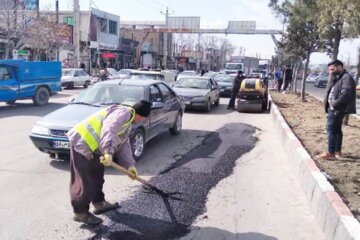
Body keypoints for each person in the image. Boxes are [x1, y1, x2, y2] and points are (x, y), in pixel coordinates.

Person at [67, 100, 152, 225]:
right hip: (82, 142)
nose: (141, 121)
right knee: (84, 180)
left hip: (96, 148)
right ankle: (80, 213)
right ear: (139, 114)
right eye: (143, 118)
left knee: (97, 177)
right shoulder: (123, 113)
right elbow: (109, 129)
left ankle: (99, 203)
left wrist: (130, 165)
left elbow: (124, 144)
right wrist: (108, 151)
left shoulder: (128, 124)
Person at [315, 60, 356, 160]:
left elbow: (345, 94)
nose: (330, 71)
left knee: (331, 129)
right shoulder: (339, 77)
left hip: (337, 109)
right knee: (337, 130)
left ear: (339, 67)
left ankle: (330, 152)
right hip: (335, 108)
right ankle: (337, 152)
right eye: (329, 70)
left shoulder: (347, 78)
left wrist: (334, 105)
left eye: (332, 69)